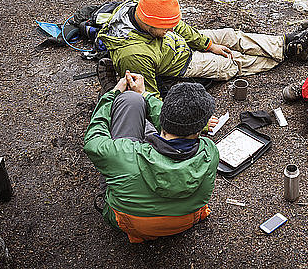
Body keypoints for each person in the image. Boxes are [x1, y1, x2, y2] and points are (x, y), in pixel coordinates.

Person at [96, 0, 308, 98]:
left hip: (180, 45)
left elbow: (178, 28)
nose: (167, 31)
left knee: (231, 36)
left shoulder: (144, 4)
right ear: (148, 23)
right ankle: (288, 55)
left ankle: (286, 45)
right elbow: (149, 98)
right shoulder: (134, 55)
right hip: (182, 63)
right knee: (233, 62)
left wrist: (208, 45)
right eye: (164, 29)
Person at [83, 71, 220, 243]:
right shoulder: (210, 152)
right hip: (185, 221)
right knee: (141, 115)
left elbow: (93, 138)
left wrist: (112, 95)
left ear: (164, 117)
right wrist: (145, 94)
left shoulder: (122, 154)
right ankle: (133, 103)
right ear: (201, 128)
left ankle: (116, 97)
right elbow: (177, 126)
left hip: (130, 224)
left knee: (130, 103)